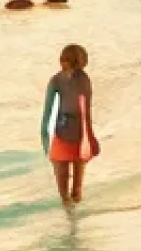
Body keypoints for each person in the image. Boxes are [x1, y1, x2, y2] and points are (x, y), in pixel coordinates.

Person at [41, 44, 99, 209]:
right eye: (63, 62)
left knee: (77, 188)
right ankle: (67, 211)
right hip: (61, 133)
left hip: (80, 134)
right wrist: (45, 139)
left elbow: (86, 111)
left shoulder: (84, 79)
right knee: (62, 175)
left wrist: (90, 136)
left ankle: (75, 221)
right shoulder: (55, 81)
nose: (65, 66)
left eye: (69, 63)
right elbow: (47, 113)